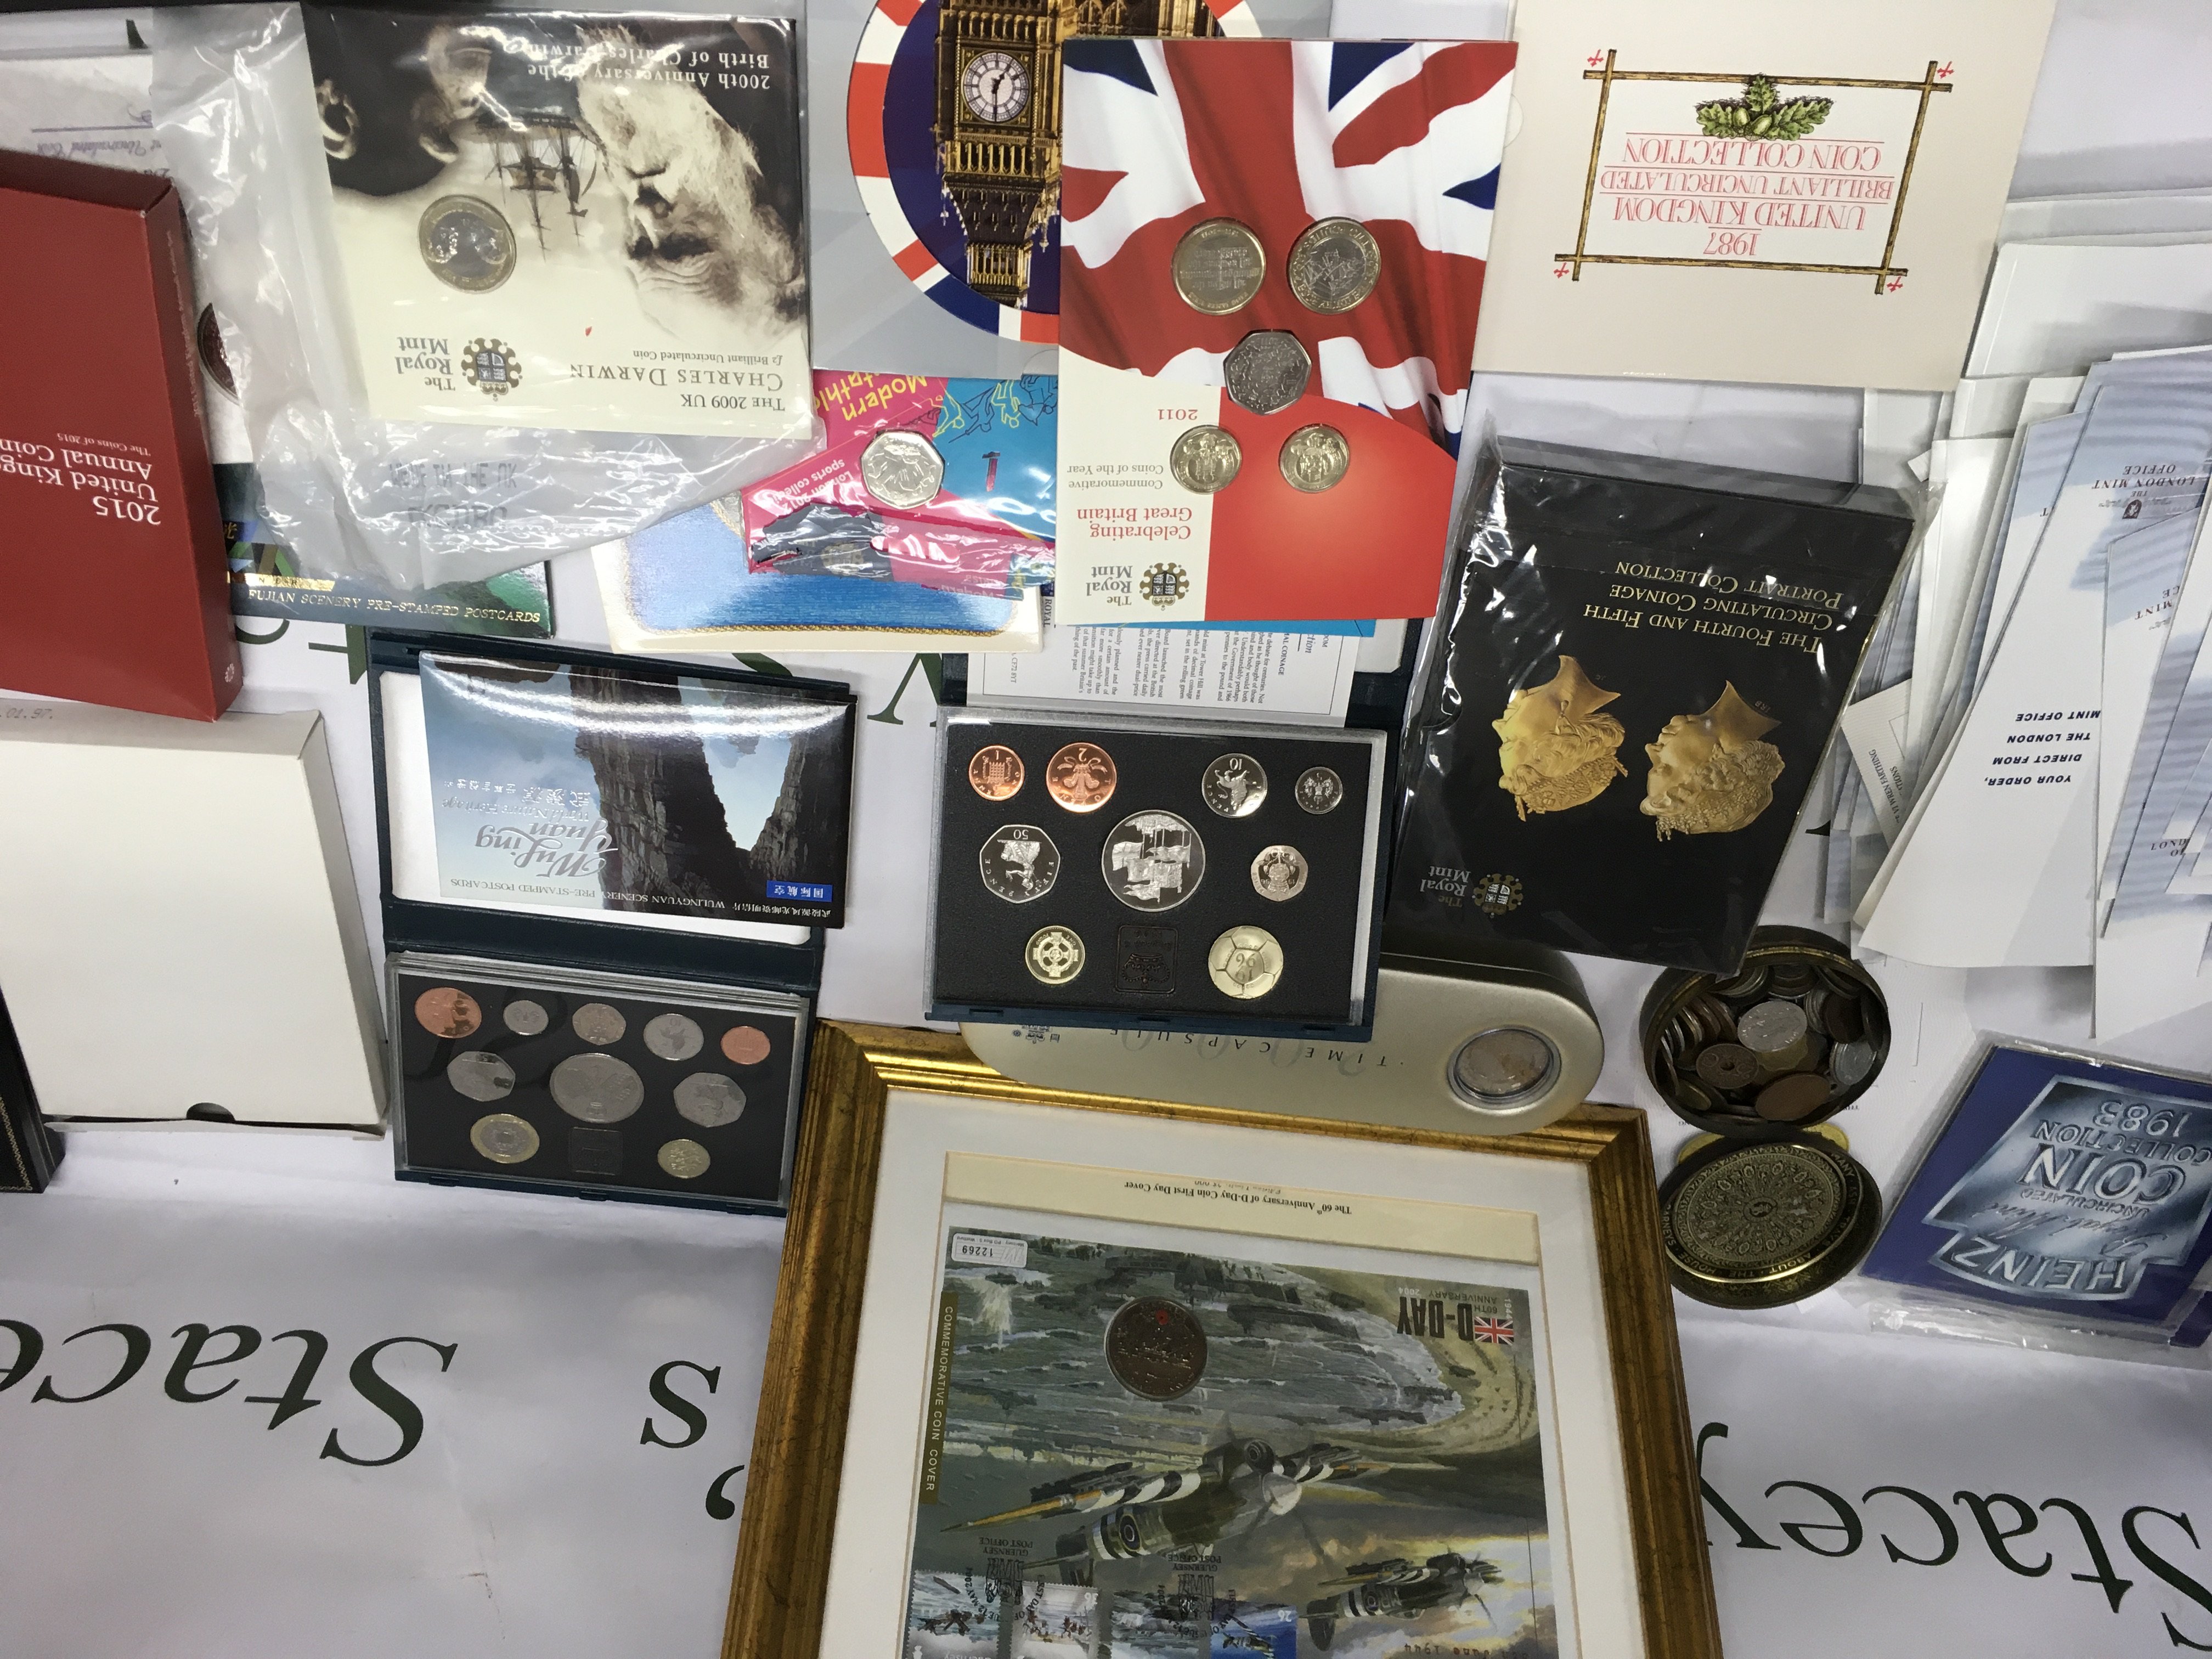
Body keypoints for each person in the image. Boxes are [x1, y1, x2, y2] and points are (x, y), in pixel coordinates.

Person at [1640, 681, 1785, 839]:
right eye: (1664, 767)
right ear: (1714, 766)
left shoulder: (1740, 678)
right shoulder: (1778, 688)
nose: (1650, 749)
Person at [1491, 655, 1628, 819]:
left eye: (1506, 741)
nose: (1497, 725)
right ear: (1564, 729)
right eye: (1510, 740)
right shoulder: (1618, 665)